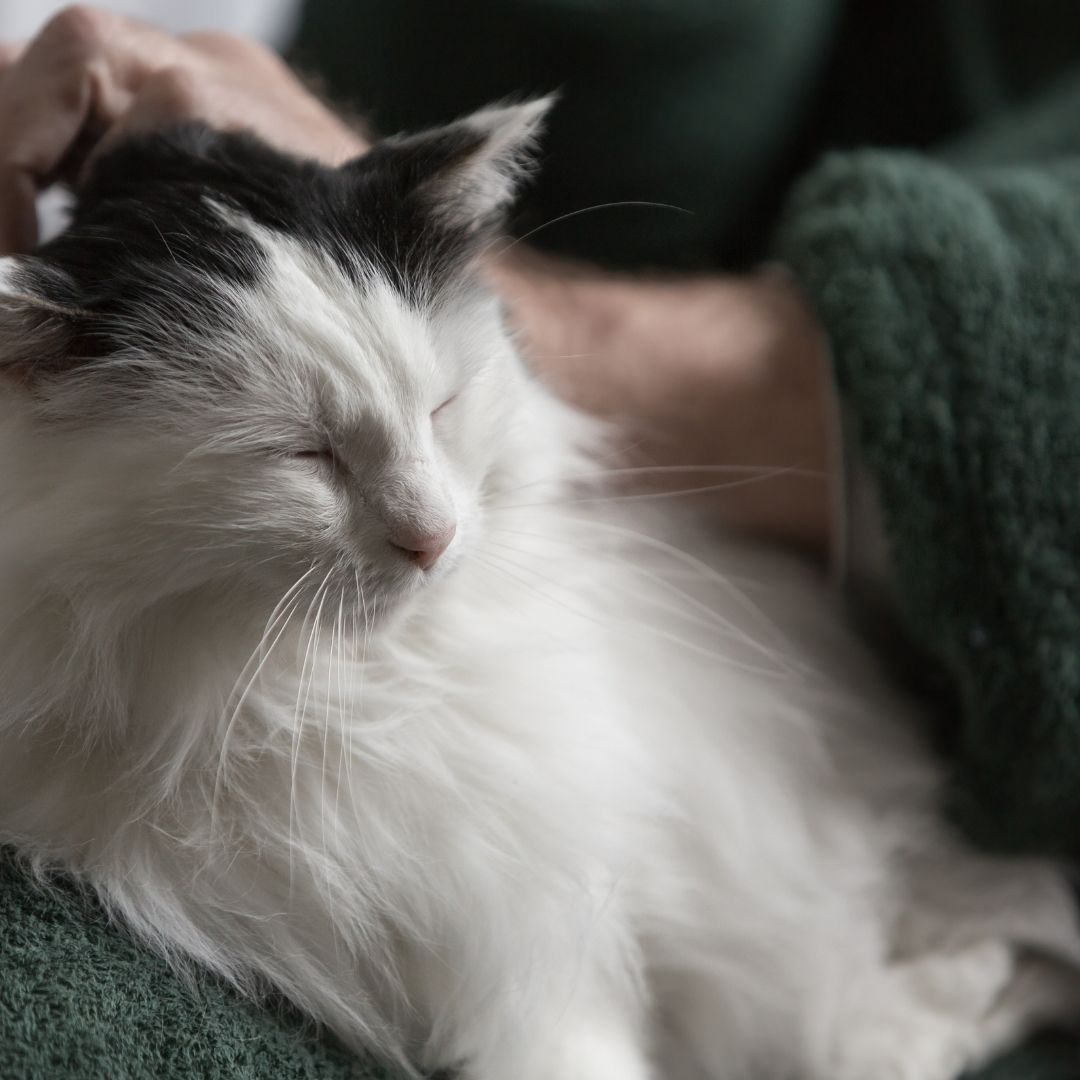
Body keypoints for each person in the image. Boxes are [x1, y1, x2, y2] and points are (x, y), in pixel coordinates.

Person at [0, 6, 1078, 1079]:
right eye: (305, 458)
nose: (431, 526)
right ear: (43, 384)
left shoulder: (519, 721)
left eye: (445, 408)